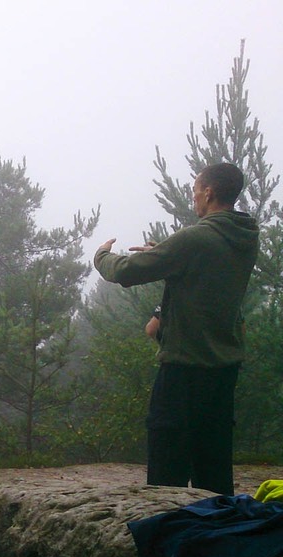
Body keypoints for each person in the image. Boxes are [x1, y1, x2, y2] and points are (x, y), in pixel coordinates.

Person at [94, 162, 259, 495]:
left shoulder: (195, 238)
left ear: (209, 193)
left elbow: (126, 271)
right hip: (223, 370)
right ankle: (218, 536)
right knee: (212, 466)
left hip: (184, 370)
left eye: (196, 190)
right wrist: (165, 255)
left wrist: (101, 256)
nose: (194, 197)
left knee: (167, 472)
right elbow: (207, 273)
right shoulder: (244, 237)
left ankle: (166, 537)